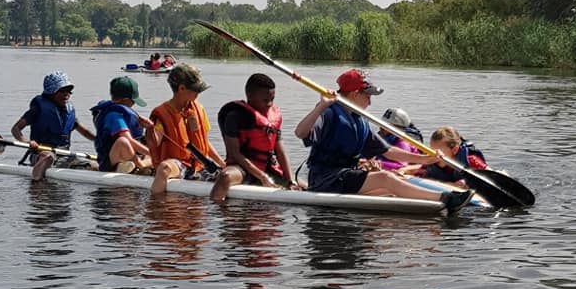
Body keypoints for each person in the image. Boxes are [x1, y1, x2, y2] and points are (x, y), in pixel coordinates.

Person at [294, 68, 475, 214]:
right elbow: (300, 132)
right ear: (356, 94)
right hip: (326, 179)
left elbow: (388, 151)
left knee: (390, 190)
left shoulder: (359, 122)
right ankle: (445, 198)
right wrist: (321, 105)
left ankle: (430, 207)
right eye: (368, 96)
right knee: (385, 177)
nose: (370, 102)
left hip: (345, 177)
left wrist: (427, 159)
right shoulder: (329, 113)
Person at [209, 72, 297, 203]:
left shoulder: (273, 117)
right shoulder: (234, 116)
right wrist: (262, 177)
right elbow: (235, 153)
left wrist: (291, 181)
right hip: (242, 168)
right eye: (265, 100)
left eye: (272, 99)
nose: (269, 104)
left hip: (267, 167)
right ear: (250, 96)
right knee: (225, 177)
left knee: (305, 185)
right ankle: (222, 217)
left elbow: (280, 151)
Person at [145, 63, 226, 194]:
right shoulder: (162, 113)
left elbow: (205, 142)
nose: (198, 93)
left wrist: (222, 164)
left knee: (229, 175)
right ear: (181, 88)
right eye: (196, 90)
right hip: (178, 164)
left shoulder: (199, 109)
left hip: (201, 165)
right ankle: (156, 209)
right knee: (164, 168)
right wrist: (149, 128)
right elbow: (154, 143)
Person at [11, 70, 95, 181]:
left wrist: (99, 140)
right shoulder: (38, 109)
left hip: (64, 154)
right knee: (48, 156)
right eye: (62, 91)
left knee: (94, 165)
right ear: (51, 92)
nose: (66, 94)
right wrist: (27, 142)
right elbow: (16, 129)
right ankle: (36, 185)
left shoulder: (68, 110)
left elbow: (84, 131)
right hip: (41, 153)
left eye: (69, 91)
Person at [91, 75, 154, 173]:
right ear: (125, 100)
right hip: (109, 161)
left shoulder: (122, 113)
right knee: (123, 141)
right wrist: (152, 153)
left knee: (152, 141)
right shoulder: (113, 116)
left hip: (133, 156)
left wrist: (149, 128)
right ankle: (141, 165)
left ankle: (140, 164)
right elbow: (128, 139)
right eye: (133, 101)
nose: (134, 104)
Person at [403, 125, 487, 184]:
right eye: (432, 150)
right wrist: (403, 170)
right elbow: (420, 167)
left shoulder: (471, 161)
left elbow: (490, 174)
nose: (435, 154)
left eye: (439, 151)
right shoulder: (433, 161)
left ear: (454, 150)